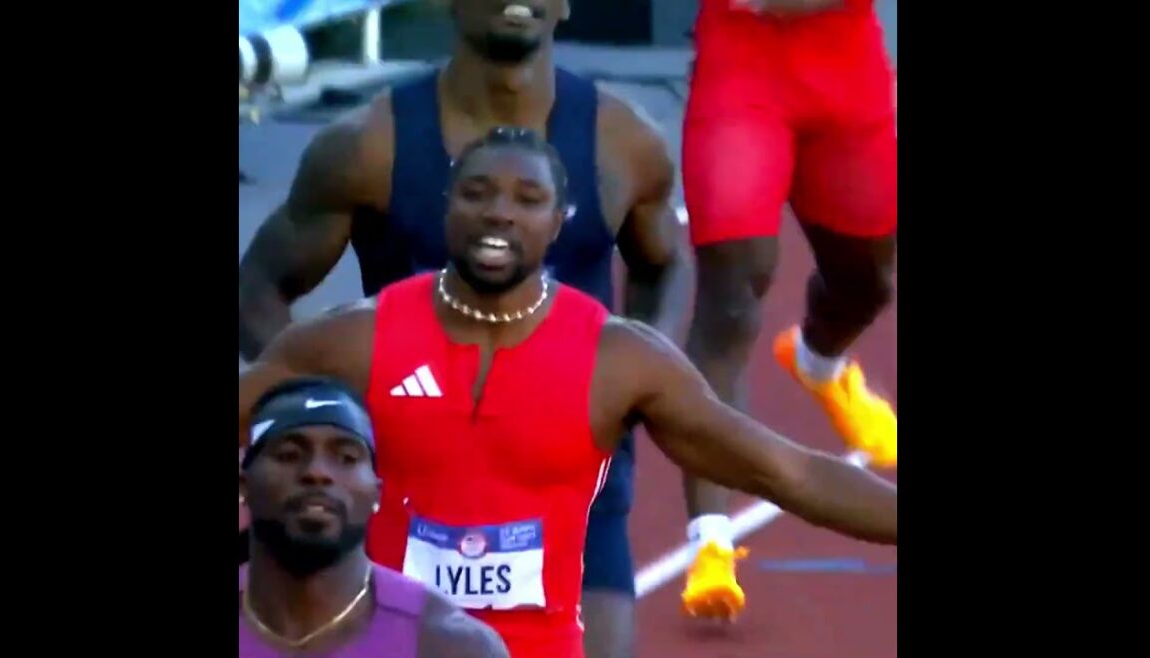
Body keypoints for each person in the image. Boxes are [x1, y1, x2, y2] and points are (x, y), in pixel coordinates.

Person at [239, 129, 897, 658]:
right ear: (447, 209)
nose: (499, 210)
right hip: (383, 644)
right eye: (477, 193)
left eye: (527, 198)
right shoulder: (353, 340)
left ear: (559, 222)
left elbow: (789, 471)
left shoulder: (617, 359)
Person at [235, 0, 736, 649]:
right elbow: (260, 287)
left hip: (559, 472)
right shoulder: (368, 145)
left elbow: (663, 264)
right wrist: (326, 417)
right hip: (406, 487)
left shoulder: (623, 142)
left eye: (528, 201)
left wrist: (642, 359)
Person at [677, 0, 899, 610]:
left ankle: (818, 364)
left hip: (845, 69)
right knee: (729, 292)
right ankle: (712, 544)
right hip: (742, 64)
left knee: (868, 281)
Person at [239, 377, 510, 657]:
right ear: (243, 486)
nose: (317, 472)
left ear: (377, 494)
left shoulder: (451, 644)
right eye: (289, 454)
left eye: (346, 457)